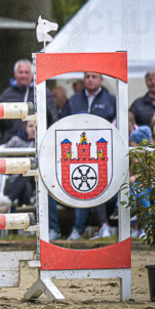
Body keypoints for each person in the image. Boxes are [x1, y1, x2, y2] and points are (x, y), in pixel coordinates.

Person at [65, 72, 116, 240]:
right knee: (84, 186)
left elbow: (117, 126)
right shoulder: (73, 100)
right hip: (77, 152)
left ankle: (82, 229)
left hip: (103, 153)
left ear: (101, 79)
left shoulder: (111, 100)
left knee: (90, 186)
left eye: (94, 76)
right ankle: (98, 227)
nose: (90, 79)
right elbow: (63, 123)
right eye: (87, 76)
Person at [0, 59, 58, 143]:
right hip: (11, 141)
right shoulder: (7, 94)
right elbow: (2, 121)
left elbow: (53, 117)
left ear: (32, 75)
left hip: (37, 141)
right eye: (21, 72)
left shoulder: (42, 92)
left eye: (27, 72)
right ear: (15, 74)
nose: (24, 75)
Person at [0, 121, 36, 214]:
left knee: (29, 171)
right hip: (15, 179)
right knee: (26, 186)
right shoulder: (16, 140)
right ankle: (23, 217)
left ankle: (8, 202)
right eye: (30, 126)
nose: (34, 129)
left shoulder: (42, 143)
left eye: (36, 126)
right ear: (25, 128)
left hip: (35, 181)